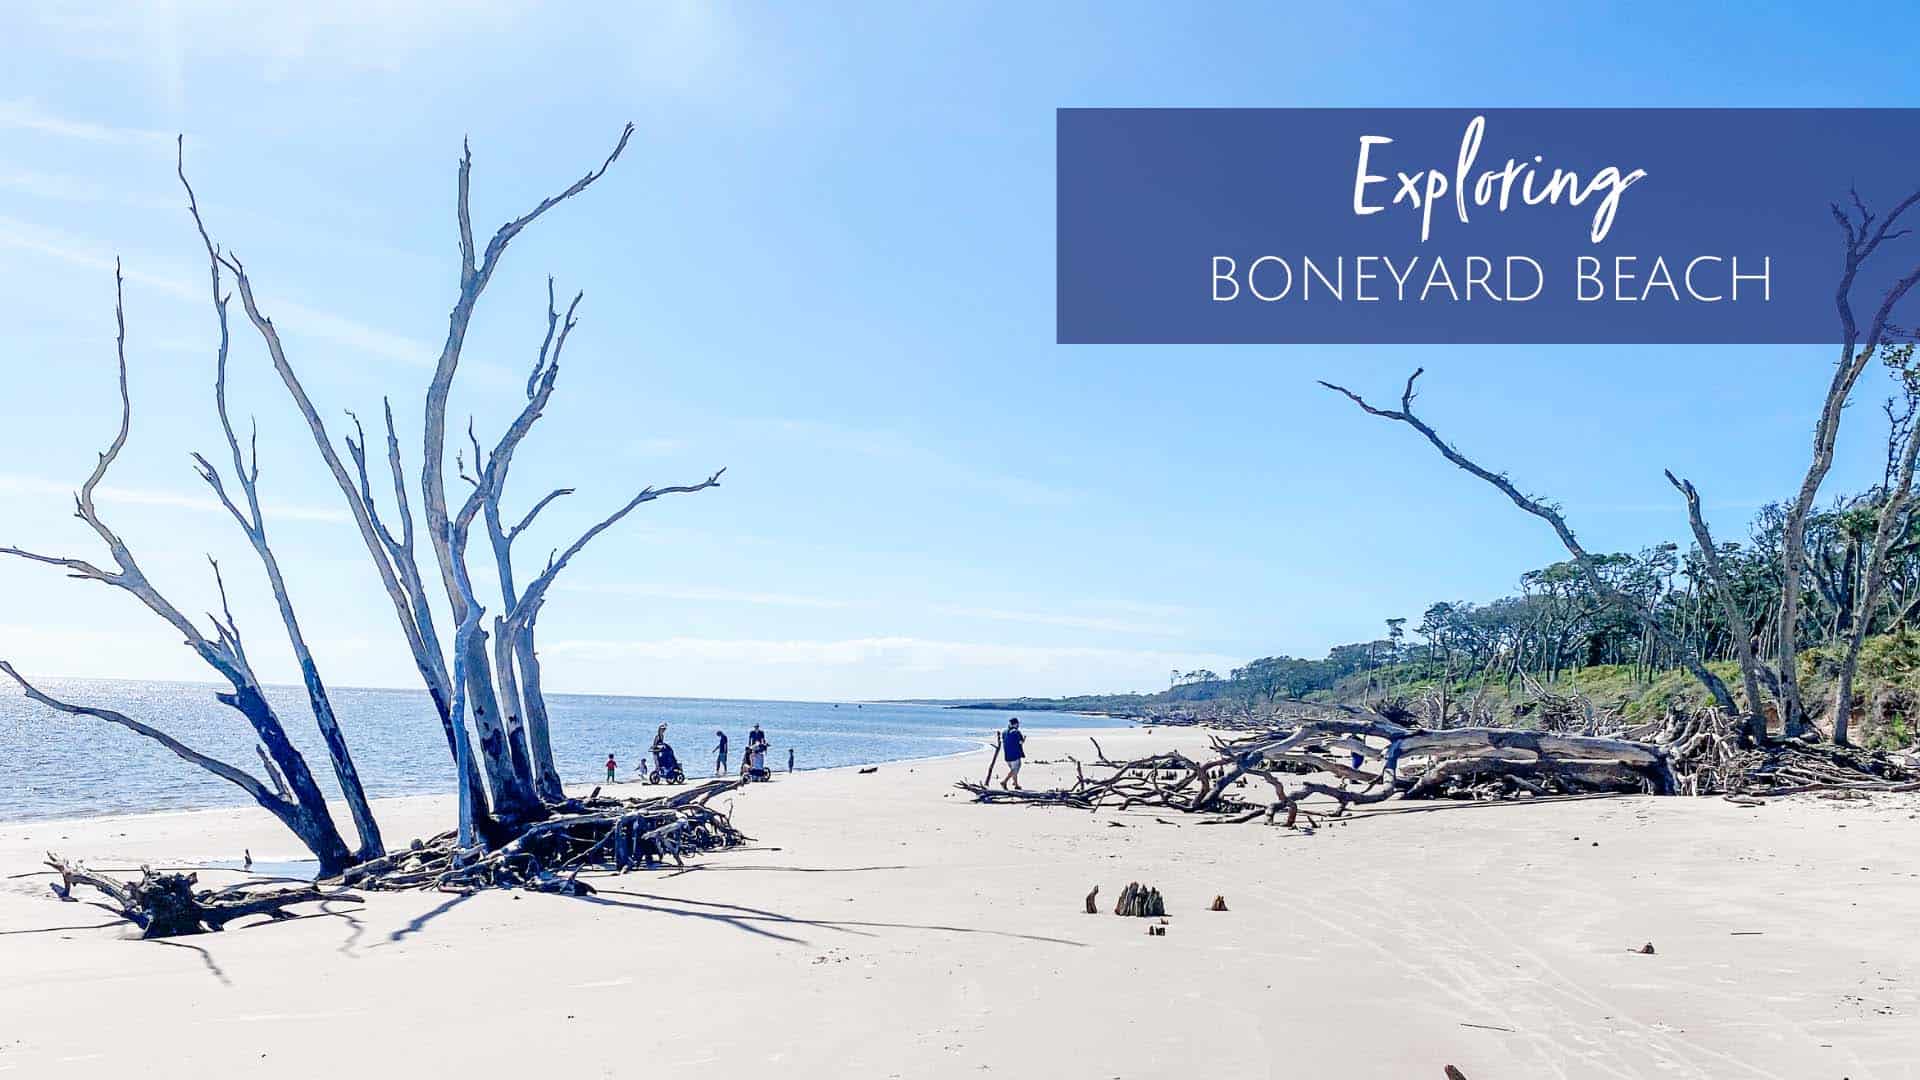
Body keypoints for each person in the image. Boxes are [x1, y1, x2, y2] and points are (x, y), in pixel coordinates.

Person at [998, 717, 1026, 790]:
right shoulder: (1017, 732)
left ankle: (1016, 785)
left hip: (1007, 755)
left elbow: (1006, 741)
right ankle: (1004, 781)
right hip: (1015, 755)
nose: (1018, 725)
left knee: (1013, 770)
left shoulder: (1004, 732)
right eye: (1018, 724)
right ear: (1016, 724)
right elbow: (1021, 742)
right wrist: (1024, 739)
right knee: (1014, 770)